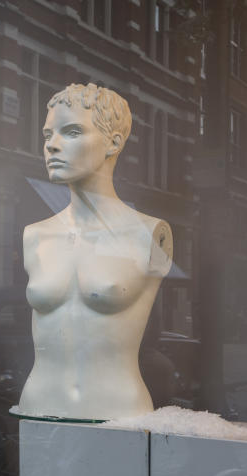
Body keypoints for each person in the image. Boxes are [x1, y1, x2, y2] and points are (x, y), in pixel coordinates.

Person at [17, 83, 173, 421]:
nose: (52, 146)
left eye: (71, 132)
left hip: (117, 411)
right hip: (38, 408)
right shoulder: (35, 236)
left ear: (114, 142)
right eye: (47, 135)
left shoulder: (151, 234)